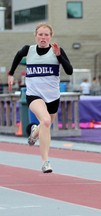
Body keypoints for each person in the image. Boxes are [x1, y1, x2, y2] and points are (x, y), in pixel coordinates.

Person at [7, 23, 73, 173]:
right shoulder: (28, 50)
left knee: (44, 125)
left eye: (46, 35)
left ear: (50, 36)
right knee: (46, 121)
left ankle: (35, 131)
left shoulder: (57, 50)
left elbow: (69, 71)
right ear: (35, 36)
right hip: (34, 94)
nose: (43, 38)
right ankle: (45, 162)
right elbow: (17, 57)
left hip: (53, 96)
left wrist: (59, 56)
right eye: (40, 35)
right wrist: (11, 74)